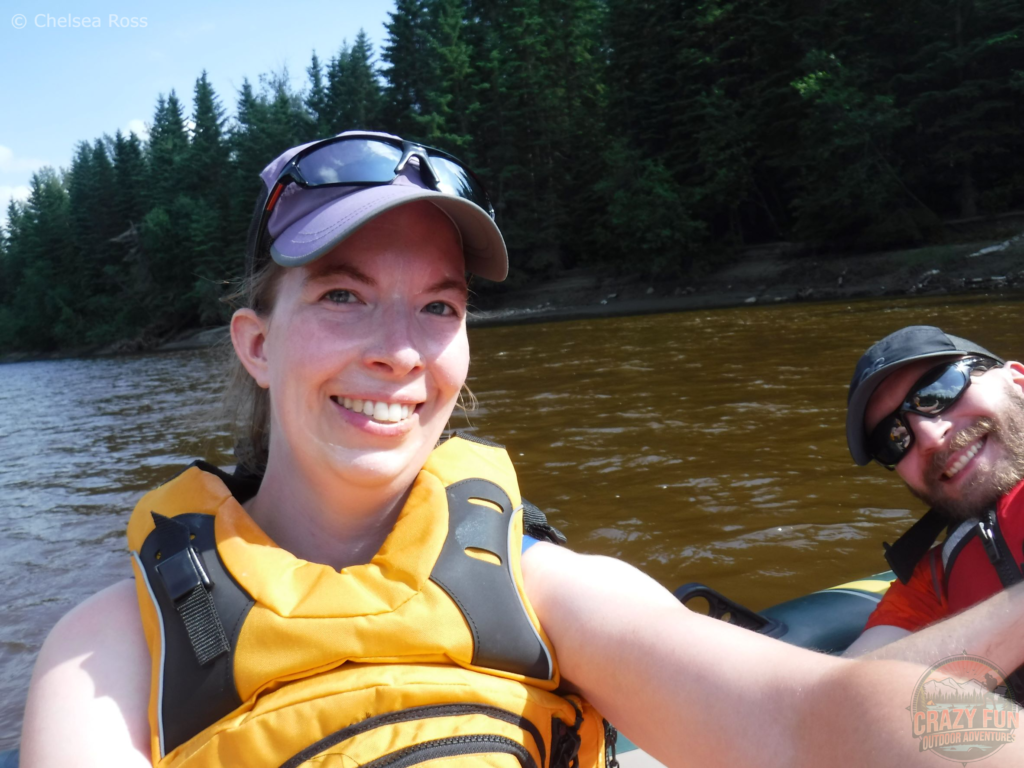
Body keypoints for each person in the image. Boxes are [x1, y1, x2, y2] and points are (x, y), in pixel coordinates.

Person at [18, 135, 1024, 768]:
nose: (400, 350)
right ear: (256, 342)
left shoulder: (550, 589)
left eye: (439, 307)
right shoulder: (113, 648)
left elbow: (817, 722)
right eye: (342, 295)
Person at [842, 325, 1024, 658]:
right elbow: (848, 685)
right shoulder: (933, 582)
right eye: (892, 438)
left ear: (1018, 382)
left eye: (938, 391)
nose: (929, 439)